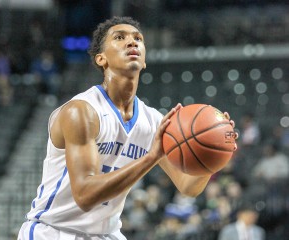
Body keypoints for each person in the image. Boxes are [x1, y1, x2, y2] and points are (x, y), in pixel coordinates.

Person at [17, 16, 238, 240]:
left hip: (105, 234)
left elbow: (188, 186)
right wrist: (151, 156)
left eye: (138, 39)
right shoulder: (81, 112)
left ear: (143, 61)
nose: (132, 43)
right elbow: (85, 195)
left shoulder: (152, 121)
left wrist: (214, 155)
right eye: (120, 38)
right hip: (54, 231)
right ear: (101, 58)